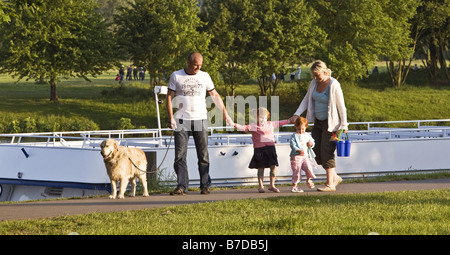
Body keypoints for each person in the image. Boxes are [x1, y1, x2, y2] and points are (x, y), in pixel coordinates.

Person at [166, 52, 231, 195]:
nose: (198, 68)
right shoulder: (176, 75)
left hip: (200, 119)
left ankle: (205, 185)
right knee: (180, 155)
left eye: (200, 65)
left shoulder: (205, 76)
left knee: (203, 154)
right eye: (195, 65)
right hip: (181, 120)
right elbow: (169, 97)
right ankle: (182, 186)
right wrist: (170, 117)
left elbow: (214, 95)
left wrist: (225, 113)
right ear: (188, 62)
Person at [289, 60, 348, 192]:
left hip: (332, 124)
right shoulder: (314, 83)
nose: (315, 78)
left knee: (327, 151)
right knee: (315, 151)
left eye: (317, 75)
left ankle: (330, 184)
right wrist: (297, 114)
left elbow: (341, 106)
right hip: (318, 122)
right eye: (314, 75)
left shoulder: (334, 84)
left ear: (325, 72)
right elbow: (306, 99)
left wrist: (344, 124)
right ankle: (335, 177)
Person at [233, 107, 290, 193]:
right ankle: (261, 186)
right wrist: (234, 124)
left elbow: (281, 122)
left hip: (270, 148)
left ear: (267, 117)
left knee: (273, 167)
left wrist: (290, 120)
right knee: (260, 168)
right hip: (259, 149)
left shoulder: (271, 124)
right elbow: (243, 128)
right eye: (260, 117)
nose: (263, 119)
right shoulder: (253, 126)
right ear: (257, 117)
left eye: (264, 118)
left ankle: (272, 185)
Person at [290, 117, 316, 192]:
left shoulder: (307, 135)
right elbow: (292, 145)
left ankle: (308, 180)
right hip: (296, 156)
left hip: (305, 156)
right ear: (296, 127)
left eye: (303, 129)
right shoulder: (294, 136)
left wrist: (311, 144)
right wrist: (298, 150)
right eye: (299, 129)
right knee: (296, 171)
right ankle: (294, 186)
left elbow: (312, 141)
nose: (301, 131)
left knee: (309, 168)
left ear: (306, 127)